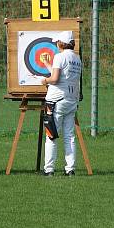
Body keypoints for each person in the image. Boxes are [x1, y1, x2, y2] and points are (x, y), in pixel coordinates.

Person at [40, 31, 83, 176]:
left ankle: (49, 169)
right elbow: (61, 75)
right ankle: (70, 169)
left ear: (61, 43)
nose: (56, 44)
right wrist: (47, 64)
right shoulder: (77, 59)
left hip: (55, 101)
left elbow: (55, 79)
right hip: (71, 100)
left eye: (57, 42)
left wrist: (44, 80)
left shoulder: (59, 57)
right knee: (69, 136)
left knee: (51, 135)